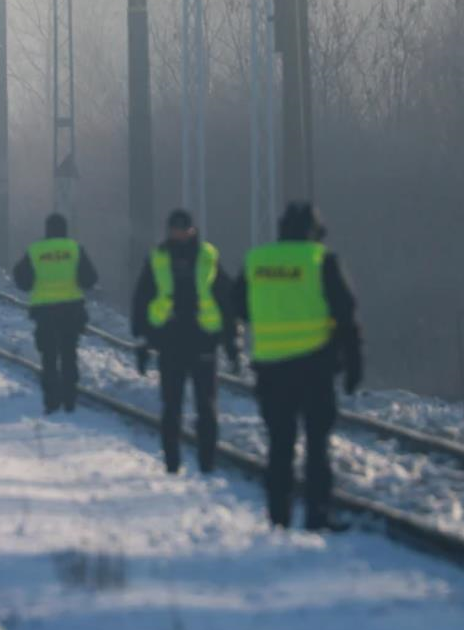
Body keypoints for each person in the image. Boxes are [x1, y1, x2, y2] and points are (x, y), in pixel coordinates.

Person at [234, 202, 363, 531]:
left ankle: (279, 516)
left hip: (271, 369)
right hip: (314, 368)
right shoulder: (321, 260)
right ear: (315, 232)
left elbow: (238, 306)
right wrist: (353, 364)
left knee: (280, 444)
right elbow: (346, 315)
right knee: (317, 446)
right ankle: (317, 516)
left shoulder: (257, 261)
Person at [131, 209, 238, 475]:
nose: (179, 232)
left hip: (201, 340)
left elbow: (226, 298)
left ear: (192, 229)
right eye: (175, 227)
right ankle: (172, 463)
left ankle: (206, 464)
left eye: (183, 227)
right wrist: (143, 340)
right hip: (172, 341)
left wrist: (231, 342)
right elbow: (143, 297)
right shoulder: (158, 258)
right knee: (173, 406)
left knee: (205, 407)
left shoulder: (207, 257)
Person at [13, 214, 99, 414]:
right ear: (65, 229)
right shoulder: (74, 249)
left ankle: (52, 401)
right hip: (71, 311)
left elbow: (22, 280)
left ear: (47, 229)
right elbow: (90, 278)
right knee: (69, 355)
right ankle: (70, 400)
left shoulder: (36, 251)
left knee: (49, 357)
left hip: (45, 313)